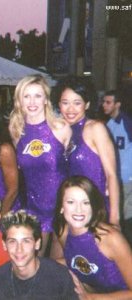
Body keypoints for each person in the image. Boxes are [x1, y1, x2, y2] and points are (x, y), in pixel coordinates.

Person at [8, 74, 72, 256]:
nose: (32, 101)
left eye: (37, 95)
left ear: (46, 99)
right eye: (26, 96)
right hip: (35, 210)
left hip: (62, 210)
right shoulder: (16, 131)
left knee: (62, 268)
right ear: (19, 100)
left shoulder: (61, 128)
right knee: (36, 263)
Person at [55, 76, 120, 227]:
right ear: (59, 104)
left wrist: (115, 219)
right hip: (72, 211)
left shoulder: (95, 128)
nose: (70, 109)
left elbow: (111, 175)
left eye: (77, 103)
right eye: (65, 103)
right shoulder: (61, 131)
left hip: (96, 210)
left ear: (87, 104)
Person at [54, 176, 132, 299]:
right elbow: (75, 260)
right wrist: (40, 263)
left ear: (93, 207)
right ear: (61, 207)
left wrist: (91, 297)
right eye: (71, 202)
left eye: (86, 202)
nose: (79, 209)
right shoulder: (63, 232)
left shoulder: (110, 238)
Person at [0, 210, 78, 300]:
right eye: (12, 242)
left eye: (26, 241)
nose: (19, 249)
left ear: (37, 244)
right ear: (4, 245)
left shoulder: (59, 277)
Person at [102, 90, 132, 245]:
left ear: (117, 104)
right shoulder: (109, 124)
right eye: (104, 102)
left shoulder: (126, 122)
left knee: (126, 216)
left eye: (108, 102)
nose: (104, 105)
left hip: (128, 177)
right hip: (115, 177)